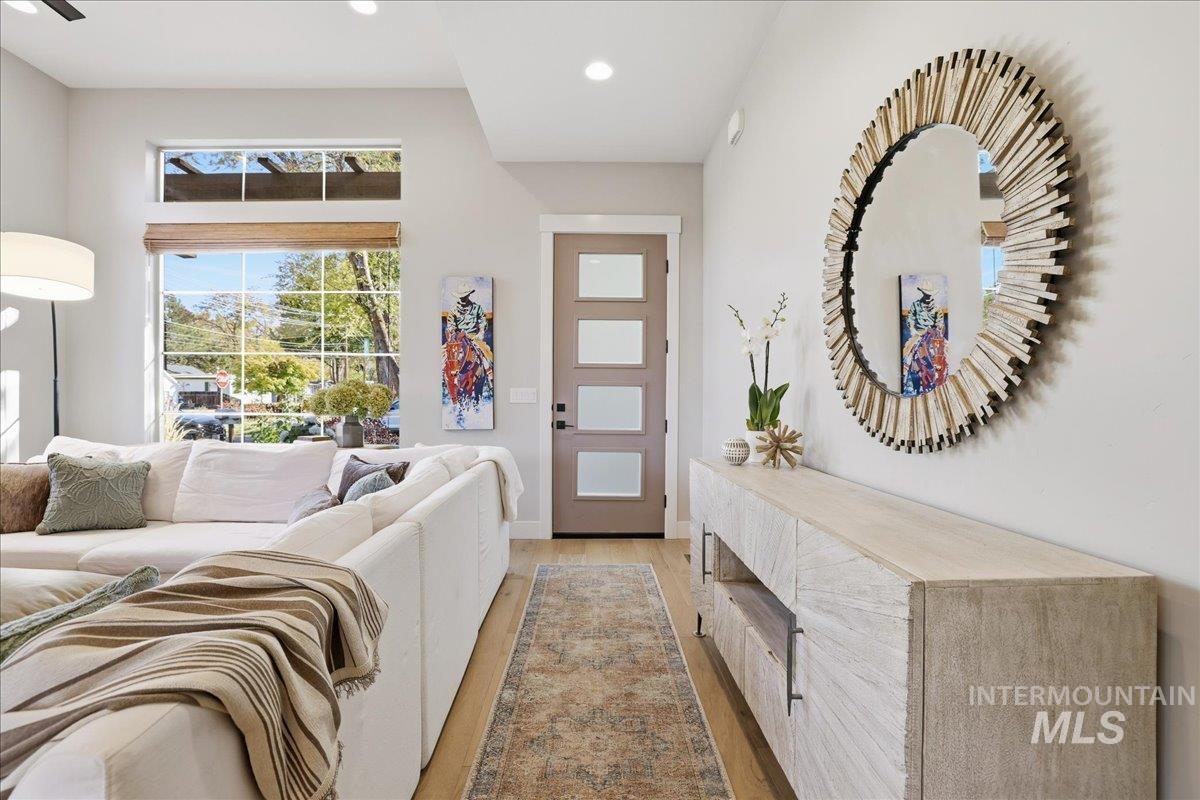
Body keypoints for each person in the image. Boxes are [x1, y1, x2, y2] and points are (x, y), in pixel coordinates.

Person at [901, 278, 948, 396]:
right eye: (926, 294)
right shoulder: (915, 305)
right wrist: (914, 331)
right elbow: (910, 320)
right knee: (908, 351)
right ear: (922, 293)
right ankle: (907, 374)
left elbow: (940, 322)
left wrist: (937, 330)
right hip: (919, 333)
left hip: (933, 334)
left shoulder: (937, 308)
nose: (927, 296)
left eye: (929, 294)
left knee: (947, 349)